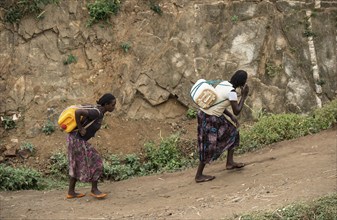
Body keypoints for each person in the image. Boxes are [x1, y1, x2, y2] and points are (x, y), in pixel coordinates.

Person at [195, 70, 250, 183]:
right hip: (209, 117)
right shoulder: (232, 92)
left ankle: (230, 162)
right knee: (208, 145)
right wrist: (244, 96)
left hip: (208, 114)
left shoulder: (224, 83)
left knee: (233, 131)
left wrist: (231, 117)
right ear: (242, 83)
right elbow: (237, 111)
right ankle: (199, 175)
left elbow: (218, 102)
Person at [66, 93, 116, 199]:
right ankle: (94, 190)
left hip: (74, 138)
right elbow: (78, 111)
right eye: (112, 105)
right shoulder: (96, 112)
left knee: (76, 163)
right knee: (96, 160)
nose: (114, 107)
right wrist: (80, 128)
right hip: (77, 140)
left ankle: (71, 192)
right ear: (106, 104)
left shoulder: (99, 111)